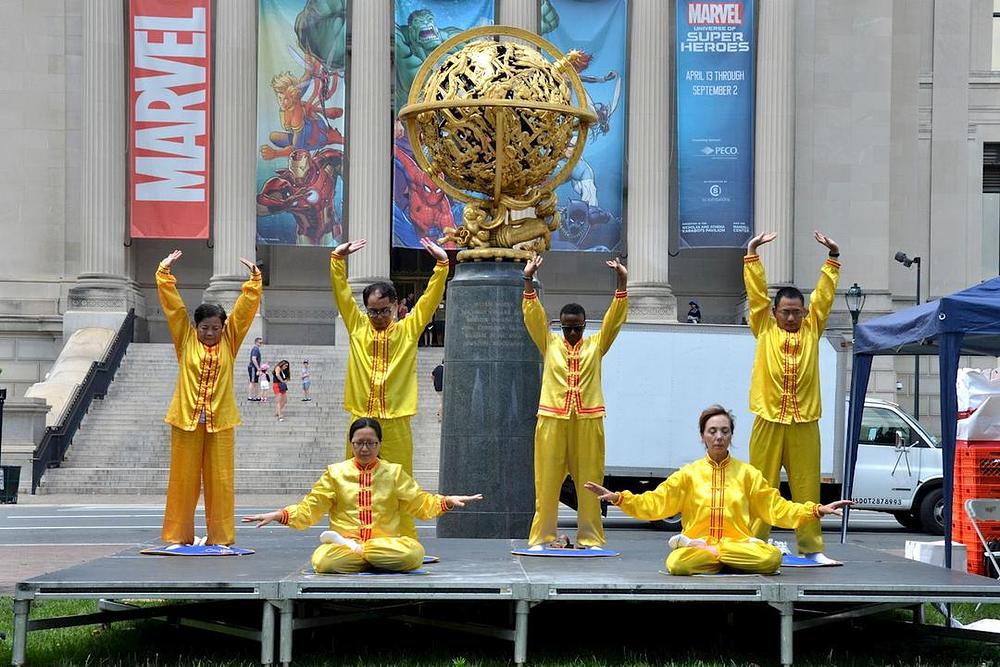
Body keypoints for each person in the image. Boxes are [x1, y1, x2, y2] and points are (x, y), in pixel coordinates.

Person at [585, 405, 852, 575]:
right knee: (676, 564)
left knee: (771, 558)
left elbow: (776, 507)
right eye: (712, 431)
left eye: (724, 431)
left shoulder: (747, 474)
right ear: (702, 436)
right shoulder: (689, 474)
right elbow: (657, 502)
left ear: (731, 436)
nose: (719, 436)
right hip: (700, 547)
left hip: (737, 545)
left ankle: (722, 555)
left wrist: (816, 509)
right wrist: (620, 498)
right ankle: (722, 557)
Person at [241, 418, 482, 573]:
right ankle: (369, 557)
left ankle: (365, 555)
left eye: (370, 443)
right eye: (359, 443)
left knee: (414, 554)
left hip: (383, 545)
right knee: (323, 561)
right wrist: (279, 514)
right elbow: (309, 509)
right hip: (346, 546)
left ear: (379, 444)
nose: (364, 448)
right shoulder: (336, 473)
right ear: (351, 444)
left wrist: (446, 501)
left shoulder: (393, 472)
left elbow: (420, 503)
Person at [329, 236, 449, 538]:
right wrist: (337, 260)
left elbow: (430, 300)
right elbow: (342, 293)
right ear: (366, 309)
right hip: (361, 419)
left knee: (402, 483)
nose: (378, 317)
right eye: (373, 311)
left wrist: (442, 265)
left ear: (395, 306)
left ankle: (404, 539)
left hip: (396, 421)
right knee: (352, 480)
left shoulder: (408, 330)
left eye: (384, 310)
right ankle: (351, 538)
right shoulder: (357, 326)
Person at [744, 230, 841, 563]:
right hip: (768, 419)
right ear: (774, 312)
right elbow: (756, 295)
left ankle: (811, 548)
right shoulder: (764, 327)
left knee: (806, 487)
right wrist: (753, 254)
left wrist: (832, 259)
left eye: (796, 312)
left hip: (804, 422)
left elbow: (824, 298)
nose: (790, 318)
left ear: (804, 312)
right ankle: (755, 542)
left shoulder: (812, 329)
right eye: (784, 311)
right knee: (761, 485)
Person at [521, 254, 628, 549]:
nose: (572, 333)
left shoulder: (596, 345)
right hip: (552, 419)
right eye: (567, 327)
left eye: (577, 327)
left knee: (590, 482)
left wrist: (622, 281)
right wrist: (528, 280)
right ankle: (543, 537)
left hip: (589, 419)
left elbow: (614, 321)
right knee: (546, 482)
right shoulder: (549, 342)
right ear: (560, 325)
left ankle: (591, 537)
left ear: (584, 325)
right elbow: (533, 317)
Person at [156, 250, 262, 546]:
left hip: (221, 421)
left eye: (216, 328)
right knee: (183, 481)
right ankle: (178, 536)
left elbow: (243, 313)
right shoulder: (186, 338)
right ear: (196, 327)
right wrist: (164, 274)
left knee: (221, 482)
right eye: (205, 328)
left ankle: (221, 537)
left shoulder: (230, 340)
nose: (211, 333)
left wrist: (254, 281)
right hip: (186, 419)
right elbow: (174, 309)